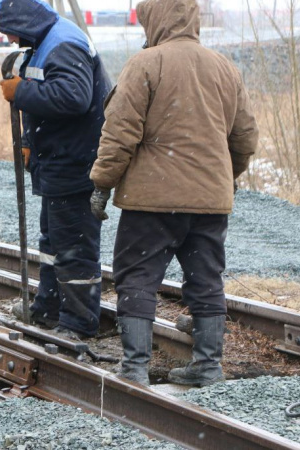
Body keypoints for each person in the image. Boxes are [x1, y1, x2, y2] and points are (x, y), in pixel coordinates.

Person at [89, 0, 259, 386]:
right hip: (210, 203)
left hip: (152, 201)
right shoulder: (224, 69)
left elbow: (119, 134)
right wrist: (224, 175)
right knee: (206, 278)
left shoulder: (146, 63)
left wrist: (102, 183)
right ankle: (208, 366)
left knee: (137, 277)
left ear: (153, 19)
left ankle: (134, 368)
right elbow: (245, 137)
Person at [0, 0, 112, 339]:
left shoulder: (62, 46)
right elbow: (45, 92)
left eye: (9, 32)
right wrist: (30, 139)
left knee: (74, 246)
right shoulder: (43, 44)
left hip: (75, 162)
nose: (10, 40)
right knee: (54, 241)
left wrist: (21, 92)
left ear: (25, 22)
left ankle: (78, 323)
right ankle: (50, 307)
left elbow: (73, 97)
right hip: (57, 160)